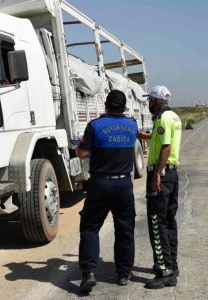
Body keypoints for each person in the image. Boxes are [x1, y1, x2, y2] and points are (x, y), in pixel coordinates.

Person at [75, 89, 139, 294]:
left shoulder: (95, 126)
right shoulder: (132, 125)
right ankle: (123, 273)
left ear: (106, 105)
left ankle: (89, 273)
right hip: (123, 185)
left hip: (100, 184)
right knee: (125, 229)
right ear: (124, 107)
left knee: (90, 228)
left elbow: (83, 153)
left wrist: (78, 148)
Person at [138, 85, 182, 289]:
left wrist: (157, 174)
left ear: (155, 101)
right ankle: (172, 265)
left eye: (150, 101)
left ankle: (165, 272)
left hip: (162, 174)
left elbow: (166, 147)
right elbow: (160, 139)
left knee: (157, 222)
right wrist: (141, 135)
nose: (148, 104)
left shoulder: (163, 119)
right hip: (171, 174)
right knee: (169, 220)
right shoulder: (173, 117)